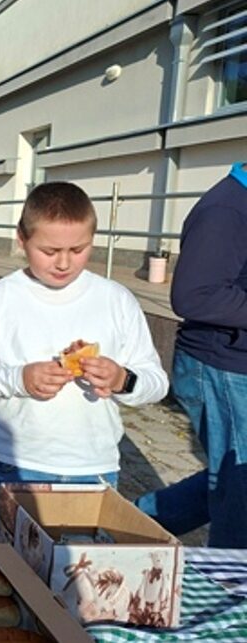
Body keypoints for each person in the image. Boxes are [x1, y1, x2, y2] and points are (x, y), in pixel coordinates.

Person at [0, 181, 168, 531]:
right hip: (17, 462)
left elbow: (156, 383)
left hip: (94, 467)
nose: (64, 262)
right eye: (50, 250)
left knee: (84, 573)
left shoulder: (116, 299)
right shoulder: (0, 298)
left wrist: (121, 379)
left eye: (78, 248)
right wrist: (19, 378)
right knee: (17, 570)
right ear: (22, 239)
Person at [135, 163, 247, 548]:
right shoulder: (228, 209)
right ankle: (230, 594)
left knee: (231, 477)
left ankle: (127, 526)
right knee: (240, 494)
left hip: (233, 366)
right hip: (221, 368)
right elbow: (193, 295)